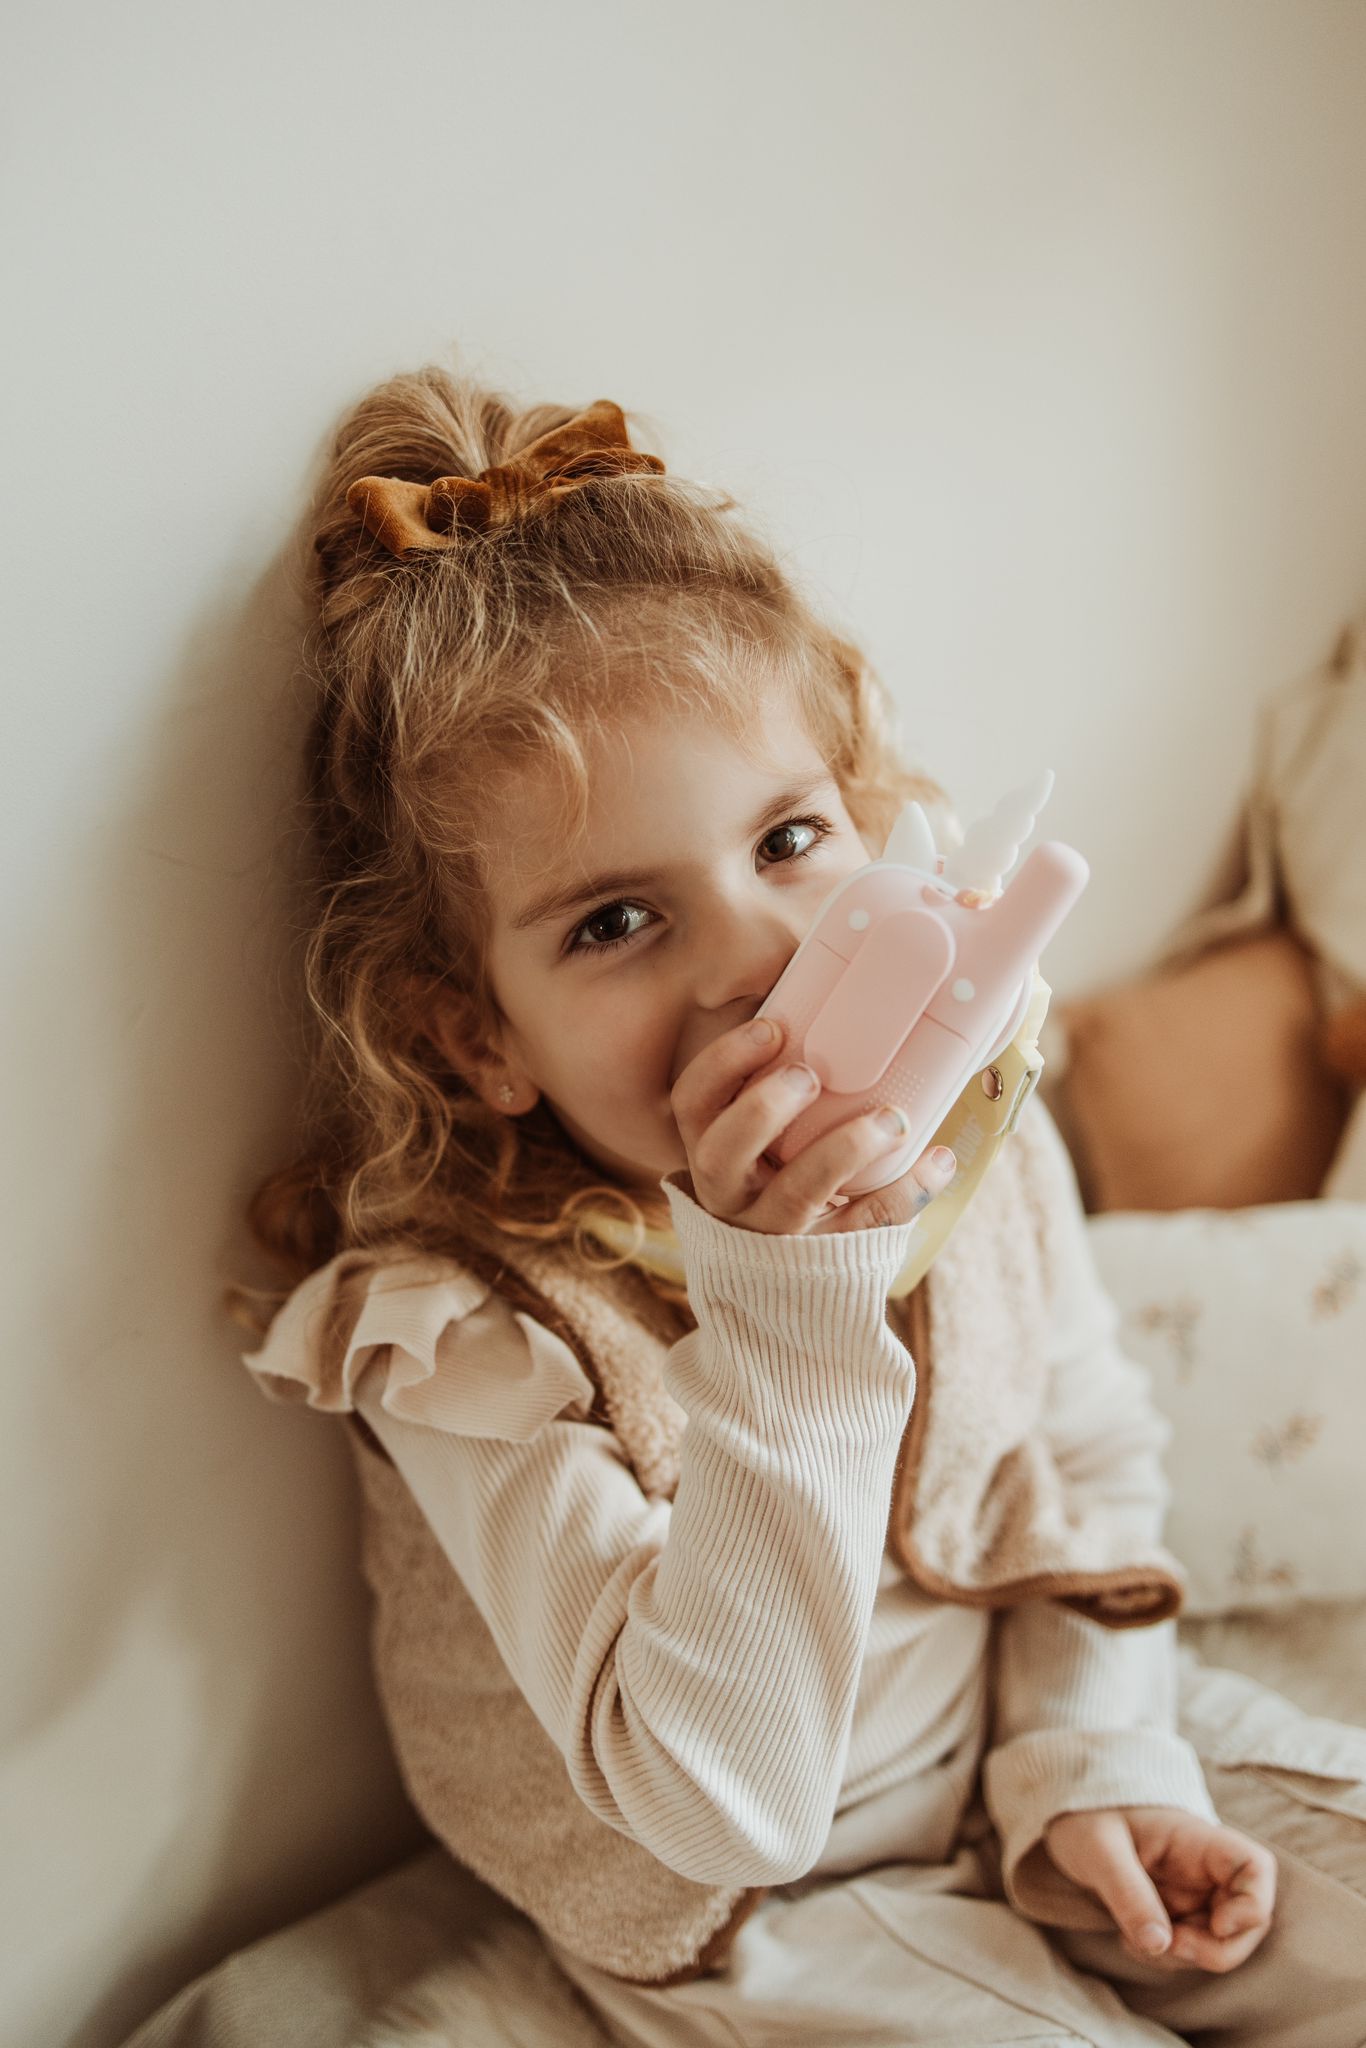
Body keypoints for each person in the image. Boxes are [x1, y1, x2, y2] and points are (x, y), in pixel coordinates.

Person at [230, 360, 1366, 2046]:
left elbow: (1088, 1464)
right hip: (751, 1900)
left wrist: (1092, 1765)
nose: (759, 965)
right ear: (471, 1037)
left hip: (1021, 1739)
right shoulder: (468, 1340)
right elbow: (722, 1803)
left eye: (786, 842)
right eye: (615, 923)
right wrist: (785, 1303)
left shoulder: (969, 1127)